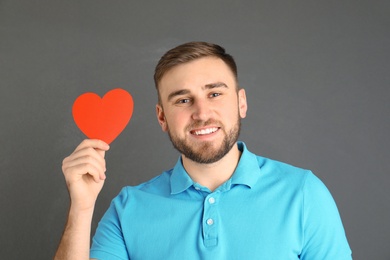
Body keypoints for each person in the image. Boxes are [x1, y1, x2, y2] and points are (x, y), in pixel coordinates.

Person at [55, 42, 352, 259]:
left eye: (214, 93)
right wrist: (81, 209)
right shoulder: (127, 209)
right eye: (183, 100)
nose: (201, 112)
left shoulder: (303, 194)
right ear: (162, 117)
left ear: (241, 103)